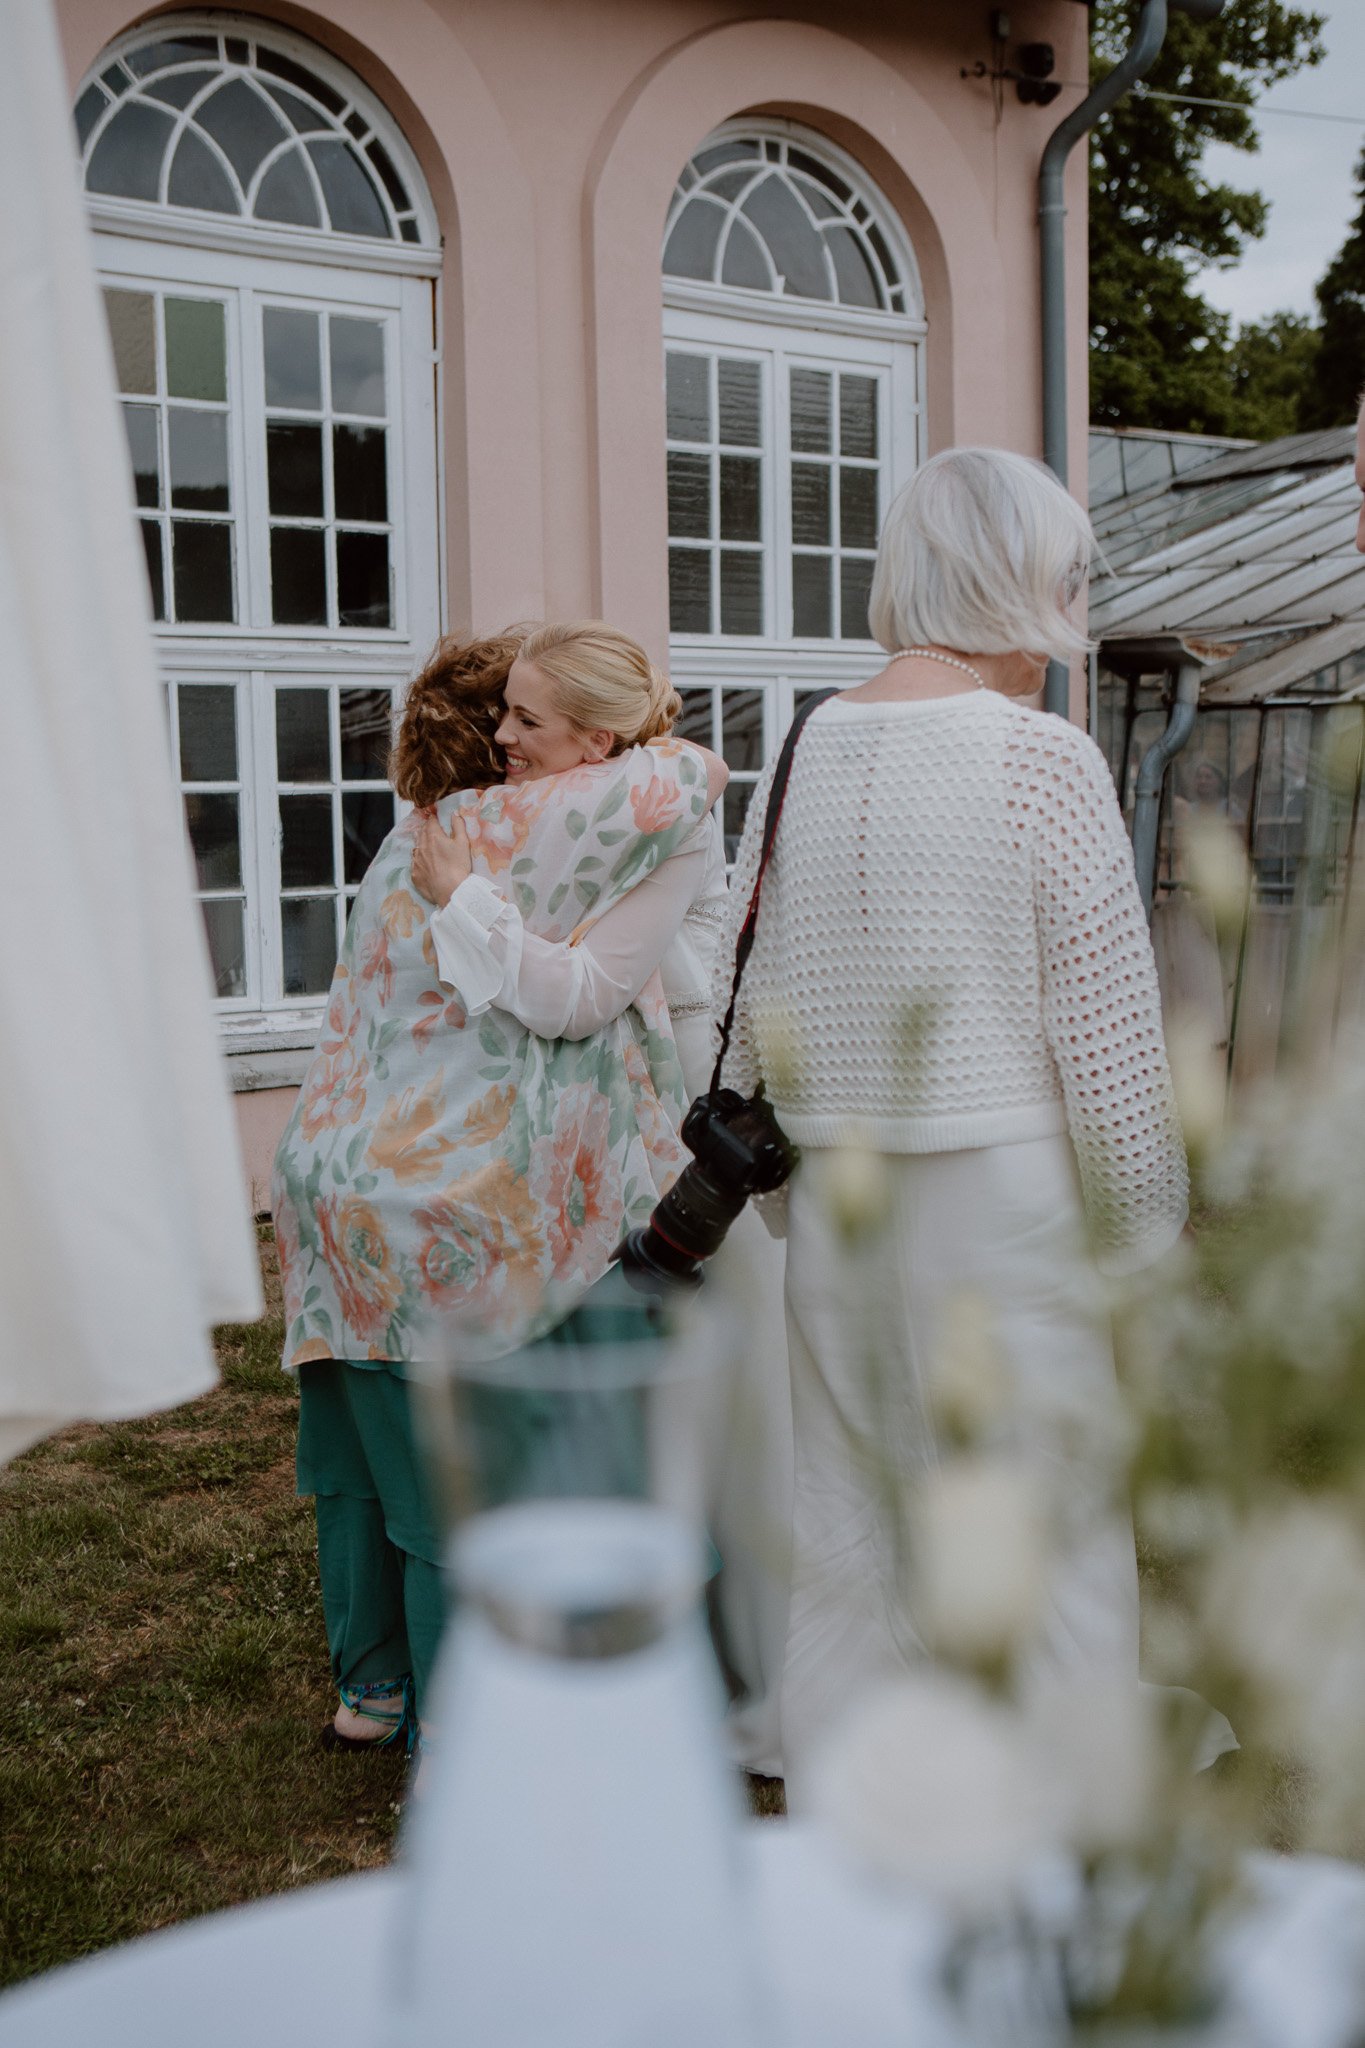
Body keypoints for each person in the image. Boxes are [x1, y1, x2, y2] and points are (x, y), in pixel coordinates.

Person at [710, 446, 1193, 1797]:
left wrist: (797, 1201)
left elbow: (756, 1017)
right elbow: (1109, 1047)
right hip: (1010, 1206)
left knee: (851, 1519)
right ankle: (1060, 1824)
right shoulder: (1040, 760)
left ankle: (854, 1819)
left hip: (841, 1208)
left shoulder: (803, 743)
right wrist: (1144, 1241)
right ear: (1019, 577)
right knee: (1044, 1525)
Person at [272, 622, 724, 1754]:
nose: (505, 736)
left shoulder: (411, 837)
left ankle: (369, 1692)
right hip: (460, 1199)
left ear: (592, 731)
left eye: (528, 717)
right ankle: (462, 1742)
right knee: (445, 1488)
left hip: (332, 1179)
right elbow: (686, 782)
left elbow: (664, 968)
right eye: (502, 714)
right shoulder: (612, 814)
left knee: (353, 1463)